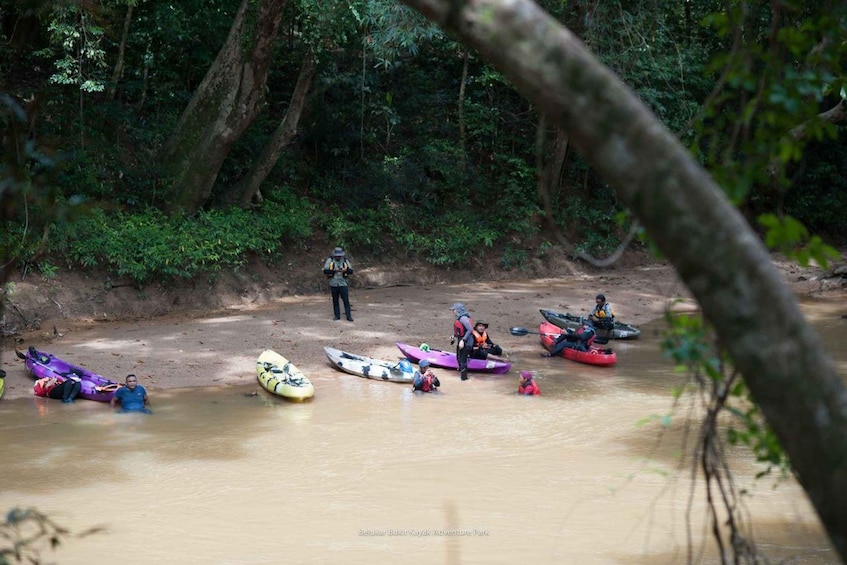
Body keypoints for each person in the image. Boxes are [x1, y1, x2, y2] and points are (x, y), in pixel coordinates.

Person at [322, 246, 354, 322]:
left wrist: (344, 270)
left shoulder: (345, 260)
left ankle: (348, 316)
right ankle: (337, 316)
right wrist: (334, 271)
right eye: (337, 256)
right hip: (333, 283)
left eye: (339, 256)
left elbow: (351, 271)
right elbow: (325, 271)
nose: (338, 257)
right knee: (335, 301)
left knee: (346, 300)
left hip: (343, 283)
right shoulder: (330, 260)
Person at [450, 302, 474, 381]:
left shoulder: (463, 318)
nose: (453, 312)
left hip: (466, 341)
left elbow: (470, 329)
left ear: (457, 310)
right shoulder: (460, 318)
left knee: (463, 360)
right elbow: (461, 331)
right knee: (459, 358)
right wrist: (454, 336)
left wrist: (463, 340)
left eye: (454, 310)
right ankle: (462, 373)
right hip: (462, 339)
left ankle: (464, 378)